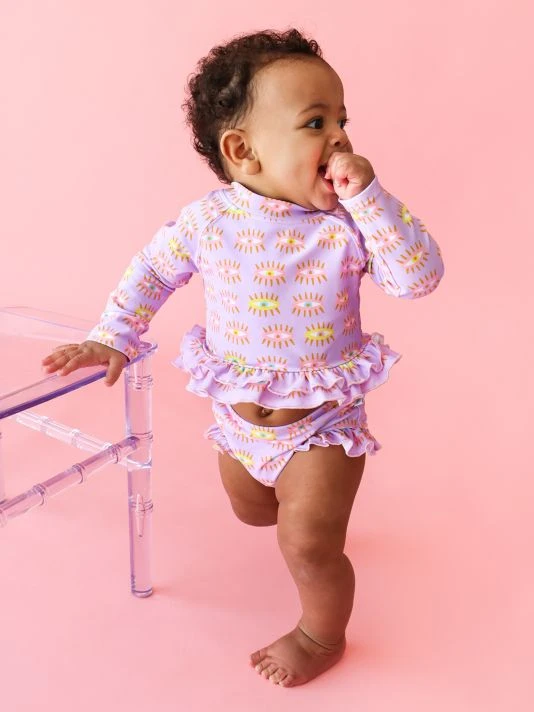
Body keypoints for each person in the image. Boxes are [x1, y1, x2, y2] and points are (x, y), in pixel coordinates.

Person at [41, 28, 445, 687]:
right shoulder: (207, 223)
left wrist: (370, 198)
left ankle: (320, 634)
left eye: (343, 121)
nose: (340, 139)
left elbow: (418, 278)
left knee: (307, 545)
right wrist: (113, 333)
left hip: (321, 425)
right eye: (316, 123)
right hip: (235, 424)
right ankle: (298, 516)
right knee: (254, 510)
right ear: (242, 150)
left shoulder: (347, 226)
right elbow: (153, 272)